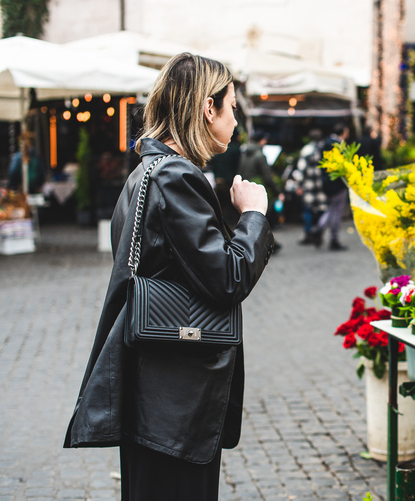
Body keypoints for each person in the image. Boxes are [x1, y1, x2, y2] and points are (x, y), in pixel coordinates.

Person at [63, 52, 275, 501]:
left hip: (154, 389)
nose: (236, 120)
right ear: (207, 108)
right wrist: (254, 215)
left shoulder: (146, 172)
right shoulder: (176, 177)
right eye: (232, 107)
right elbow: (228, 279)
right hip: (173, 399)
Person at [292, 129, 328, 246]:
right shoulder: (324, 149)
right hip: (321, 184)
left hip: (308, 184)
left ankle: (308, 234)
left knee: (308, 209)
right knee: (322, 209)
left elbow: (301, 169)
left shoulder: (306, 150)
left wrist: (298, 185)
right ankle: (318, 230)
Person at [319, 123, 351, 251]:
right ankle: (334, 239)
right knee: (337, 211)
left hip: (327, 183)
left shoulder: (325, 143)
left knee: (331, 208)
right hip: (338, 184)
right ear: (342, 132)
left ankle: (319, 228)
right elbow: (343, 166)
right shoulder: (338, 146)